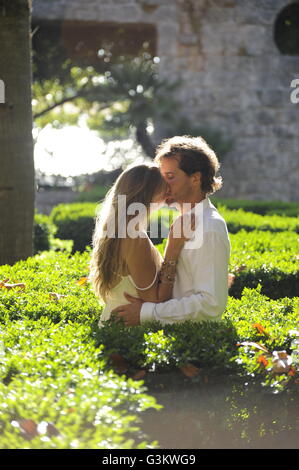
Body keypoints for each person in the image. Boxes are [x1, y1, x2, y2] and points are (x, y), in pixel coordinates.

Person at [111, 135, 231, 326]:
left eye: (170, 177)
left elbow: (211, 305)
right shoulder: (182, 223)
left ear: (195, 179)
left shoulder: (209, 227)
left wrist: (147, 312)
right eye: (161, 176)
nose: (162, 185)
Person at [89, 163, 193, 326]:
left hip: (112, 326)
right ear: (147, 194)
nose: (168, 197)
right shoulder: (135, 239)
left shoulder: (114, 231)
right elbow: (155, 301)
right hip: (126, 335)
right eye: (163, 191)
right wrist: (172, 250)